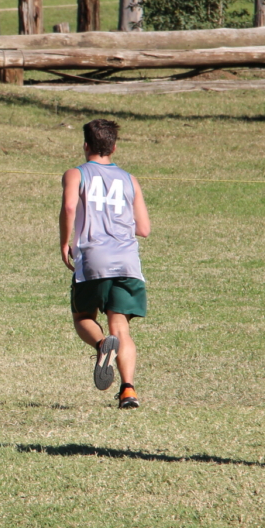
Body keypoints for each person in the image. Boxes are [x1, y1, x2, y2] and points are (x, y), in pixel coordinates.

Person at [59, 119, 151, 408]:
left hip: (93, 259)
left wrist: (65, 241)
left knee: (83, 317)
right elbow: (144, 228)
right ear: (114, 147)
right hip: (127, 261)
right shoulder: (129, 179)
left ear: (86, 145)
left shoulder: (76, 174)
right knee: (120, 328)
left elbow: (70, 206)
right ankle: (128, 390)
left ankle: (101, 346)